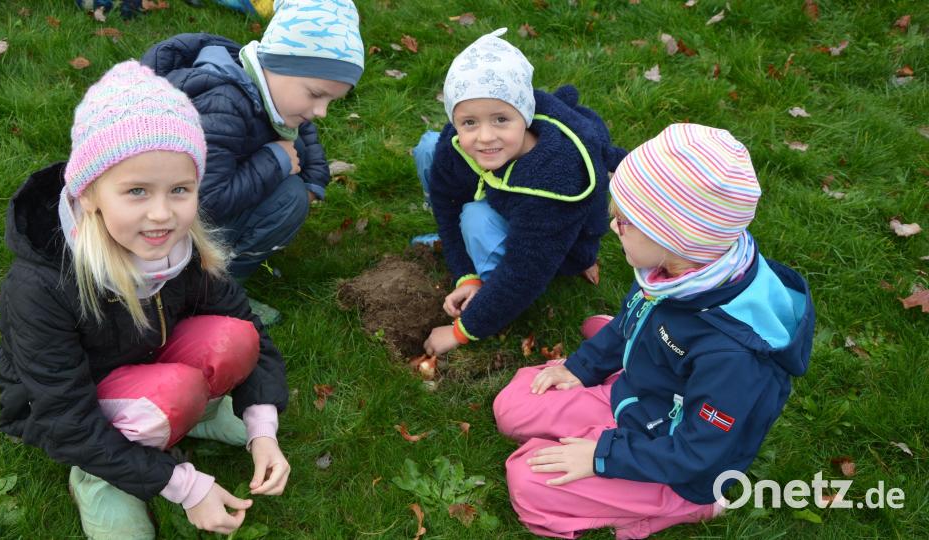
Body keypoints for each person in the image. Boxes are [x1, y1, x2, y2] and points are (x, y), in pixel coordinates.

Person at [0, 61, 291, 539]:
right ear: (88, 193)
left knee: (235, 337)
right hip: (72, 411)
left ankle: (195, 415)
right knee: (169, 395)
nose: (161, 214)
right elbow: (65, 418)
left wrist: (261, 424)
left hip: (148, 366)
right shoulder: (40, 287)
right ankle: (99, 479)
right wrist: (185, 487)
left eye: (180, 190)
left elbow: (244, 319)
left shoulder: (179, 247)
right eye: (136, 191)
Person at [492, 123, 815, 539]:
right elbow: (635, 312)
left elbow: (696, 452)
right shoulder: (672, 271)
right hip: (636, 397)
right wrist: (582, 366)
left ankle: (684, 508)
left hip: (673, 464)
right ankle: (633, 360)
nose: (612, 225)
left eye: (624, 220)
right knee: (513, 407)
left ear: (673, 237)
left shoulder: (733, 357)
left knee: (528, 479)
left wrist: (601, 456)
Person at [141, 0, 364, 322]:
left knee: (294, 193)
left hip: (195, 217)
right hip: (168, 226)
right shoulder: (223, 104)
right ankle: (211, 291)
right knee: (288, 197)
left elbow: (303, 135)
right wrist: (274, 161)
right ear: (279, 65)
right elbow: (204, 202)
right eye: (316, 94)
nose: (321, 110)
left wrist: (314, 179)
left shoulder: (272, 93)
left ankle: (213, 284)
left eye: (331, 100)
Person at [416, 28, 628, 356]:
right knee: (430, 148)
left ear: (525, 116)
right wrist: (465, 275)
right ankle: (478, 277)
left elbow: (523, 273)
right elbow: (447, 205)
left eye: (501, 119)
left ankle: (491, 300)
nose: (484, 136)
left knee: (475, 218)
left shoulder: (554, 181)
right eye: (469, 122)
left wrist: (463, 330)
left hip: (555, 246)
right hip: (507, 198)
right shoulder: (457, 142)